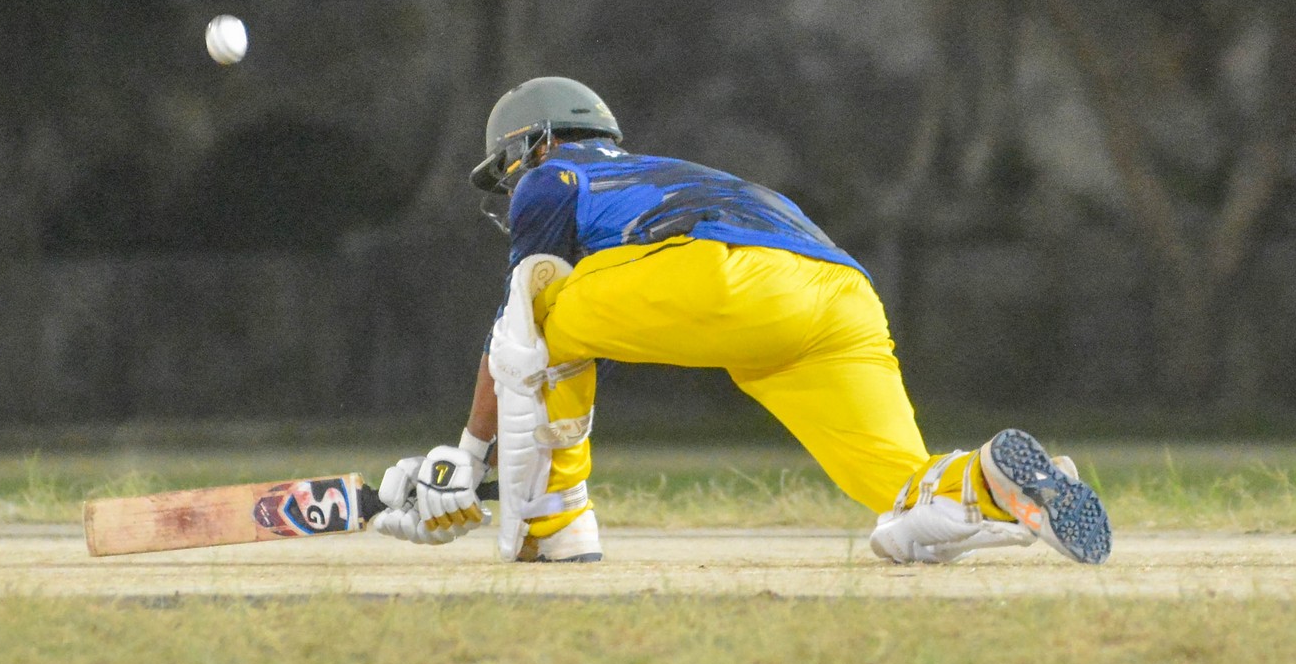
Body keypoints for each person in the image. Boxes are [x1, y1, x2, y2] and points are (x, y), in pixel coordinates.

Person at [371, 76, 1111, 566]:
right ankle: (990, 480)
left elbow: (519, 323)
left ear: (536, 142)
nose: (510, 186)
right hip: (841, 294)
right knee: (906, 492)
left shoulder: (554, 175)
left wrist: (468, 456)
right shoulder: (661, 171)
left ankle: (550, 523)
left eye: (508, 166)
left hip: (720, 270)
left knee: (543, 306)